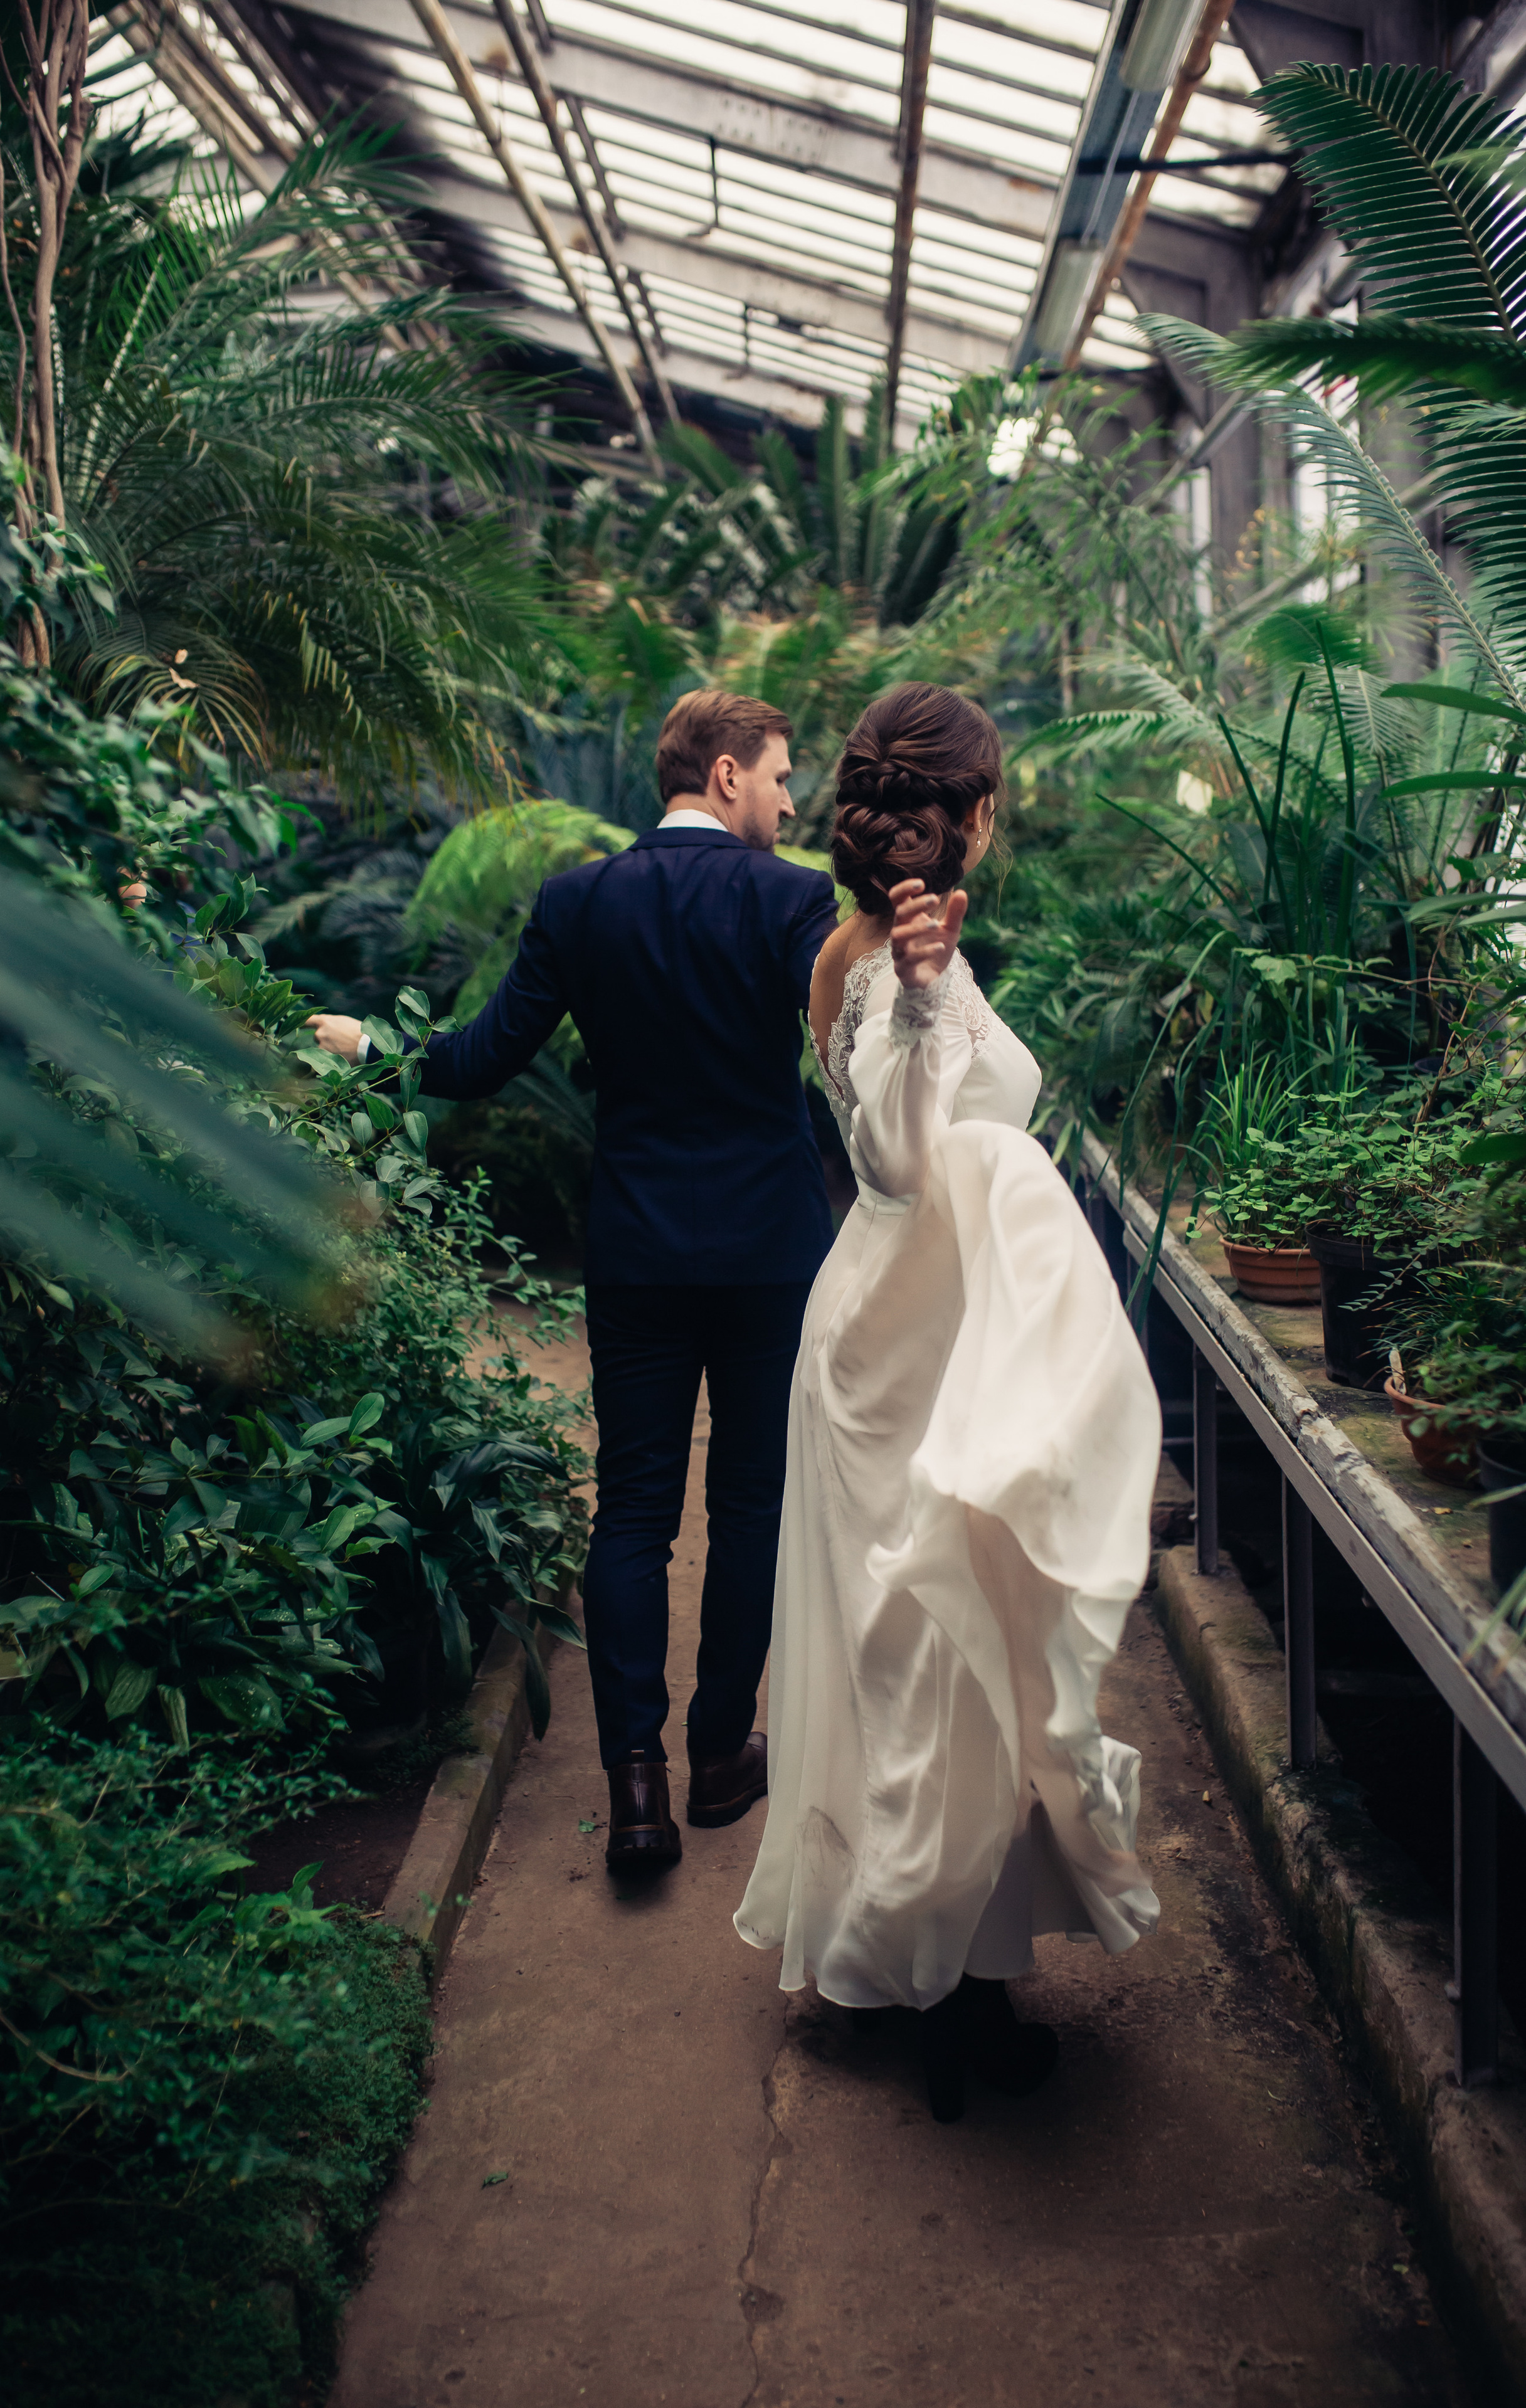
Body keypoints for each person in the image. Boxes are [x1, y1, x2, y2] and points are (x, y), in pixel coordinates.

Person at [305, 691, 837, 1868]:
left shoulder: (580, 901)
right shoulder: (796, 897)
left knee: (636, 1508)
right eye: (784, 777)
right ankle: (716, 1757)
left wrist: (372, 1048)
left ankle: (634, 1790)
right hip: (768, 1254)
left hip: (638, 1249)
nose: (795, 802)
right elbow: (850, 1044)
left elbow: (481, 1059)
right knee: (753, 1504)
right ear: (728, 773)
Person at [733, 682, 1162, 2122]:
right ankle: (943, 2000)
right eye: (995, 794)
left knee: (952, 1664)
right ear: (970, 812)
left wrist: (936, 990)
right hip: (897, 1364)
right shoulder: (872, 963)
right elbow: (902, 1160)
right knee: (925, 1666)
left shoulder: (915, 949)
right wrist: (918, 1007)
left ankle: (944, 1966)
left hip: (939, 1339)